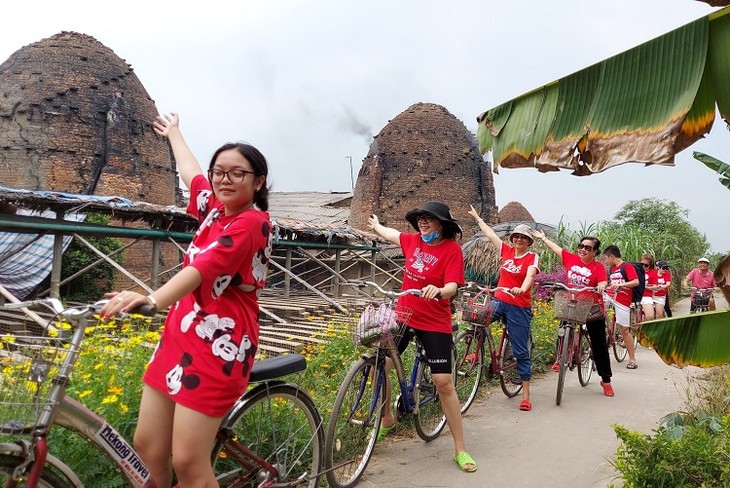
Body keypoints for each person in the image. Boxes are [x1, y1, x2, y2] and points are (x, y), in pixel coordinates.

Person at [100, 112, 273, 487]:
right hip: (179, 336)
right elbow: (191, 174)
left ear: (258, 181)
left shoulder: (253, 222)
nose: (224, 179)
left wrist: (151, 298)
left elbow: (203, 268)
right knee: (147, 447)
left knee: (189, 461)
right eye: (219, 172)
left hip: (221, 344)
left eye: (237, 173)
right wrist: (174, 133)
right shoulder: (215, 210)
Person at [368, 201, 477, 473]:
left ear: (442, 223)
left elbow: (452, 286)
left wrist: (439, 290)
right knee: (378, 366)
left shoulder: (451, 250)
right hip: (404, 315)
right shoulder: (413, 241)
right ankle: (387, 416)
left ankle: (460, 449)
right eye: (420, 219)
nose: (423, 222)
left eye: (429, 218)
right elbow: (393, 234)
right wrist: (377, 226)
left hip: (435, 321)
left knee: (443, 383)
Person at [467, 206, 539, 411]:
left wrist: (522, 288)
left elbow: (530, 275)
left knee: (521, 352)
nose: (519, 240)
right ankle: (475, 352)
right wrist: (478, 218)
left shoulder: (531, 257)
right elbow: (491, 235)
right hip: (499, 300)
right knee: (477, 318)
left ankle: (525, 395)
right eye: (517, 236)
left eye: (523, 238)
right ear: (512, 238)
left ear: (529, 241)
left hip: (518, 306)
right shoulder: (506, 250)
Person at [533, 231, 614, 397]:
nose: (583, 249)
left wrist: (601, 285)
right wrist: (543, 238)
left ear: (594, 252)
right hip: (573, 302)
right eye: (581, 246)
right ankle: (560, 357)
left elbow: (603, 280)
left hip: (592, 306)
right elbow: (556, 249)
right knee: (563, 328)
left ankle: (606, 380)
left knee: (599, 344)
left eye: (587, 248)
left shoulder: (597, 266)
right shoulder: (571, 258)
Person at [603, 245, 640, 369]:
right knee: (596, 310)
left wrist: (621, 285)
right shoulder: (612, 268)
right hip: (610, 296)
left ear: (611, 256)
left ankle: (632, 359)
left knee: (624, 329)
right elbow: (610, 282)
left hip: (623, 300)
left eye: (606, 258)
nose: (606, 261)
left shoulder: (626, 266)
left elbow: (636, 281)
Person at [640, 253, 658, 321]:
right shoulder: (636, 271)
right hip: (636, 296)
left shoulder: (653, 273)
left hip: (646, 296)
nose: (643, 266)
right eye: (641, 264)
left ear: (649, 265)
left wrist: (645, 287)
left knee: (650, 316)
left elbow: (655, 286)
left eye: (646, 265)